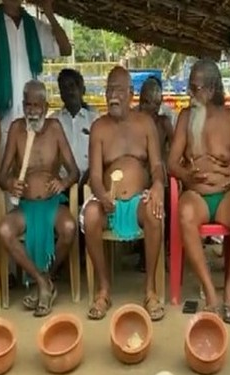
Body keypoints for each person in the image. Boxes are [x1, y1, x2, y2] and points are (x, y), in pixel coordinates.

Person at [167, 59, 230, 324]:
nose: (191, 94)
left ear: (213, 89)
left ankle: (228, 291)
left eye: (197, 88)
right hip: (197, 194)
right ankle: (209, 293)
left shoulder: (229, 119)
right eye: (190, 88)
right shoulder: (185, 117)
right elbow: (171, 163)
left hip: (226, 194)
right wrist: (185, 175)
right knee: (185, 213)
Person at [81, 66, 165, 321]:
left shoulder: (145, 123)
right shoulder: (99, 128)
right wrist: (102, 194)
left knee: (154, 211)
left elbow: (157, 166)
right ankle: (103, 289)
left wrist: (158, 186)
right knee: (92, 216)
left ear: (131, 94)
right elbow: (94, 174)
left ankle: (150, 290)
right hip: (109, 201)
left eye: (118, 90)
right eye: (109, 90)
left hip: (139, 199)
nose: (112, 96)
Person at [0, 80, 79, 317]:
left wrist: (62, 183)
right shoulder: (15, 129)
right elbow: (1, 176)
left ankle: (45, 279)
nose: (32, 110)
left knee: (69, 227)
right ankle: (42, 282)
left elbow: (74, 171)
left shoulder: (54, 128)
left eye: (36, 105)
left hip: (53, 203)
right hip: (26, 205)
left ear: (46, 105)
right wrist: (11, 183)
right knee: (3, 230)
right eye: (27, 105)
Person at [0, 0, 71, 155]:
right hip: (2, 120)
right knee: (4, 174)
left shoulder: (35, 27)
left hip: (32, 116)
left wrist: (49, 13)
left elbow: (66, 49)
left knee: (31, 170)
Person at [136, 75, 174, 271]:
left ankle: (164, 250)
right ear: (140, 99)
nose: (151, 107)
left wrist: (164, 163)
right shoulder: (131, 120)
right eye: (147, 102)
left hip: (158, 173)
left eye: (156, 103)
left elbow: (176, 150)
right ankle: (143, 253)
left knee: (166, 193)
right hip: (138, 175)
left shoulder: (163, 122)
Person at [50, 68, 99, 186]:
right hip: (60, 185)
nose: (69, 91)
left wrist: (86, 181)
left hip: (90, 183)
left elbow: (100, 157)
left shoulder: (94, 120)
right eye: (64, 88)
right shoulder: (53, 121)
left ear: (82, 89)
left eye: (72, 86)